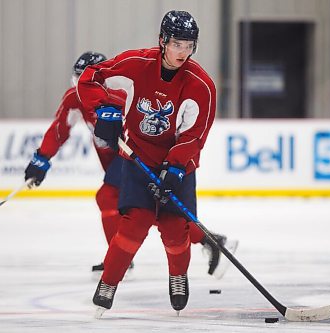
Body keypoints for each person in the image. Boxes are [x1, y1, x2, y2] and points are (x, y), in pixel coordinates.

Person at [24, 51, 237, 279]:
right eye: (76, 79)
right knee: (149, 213)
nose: (79, 85)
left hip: (137, 156)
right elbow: (60, 130)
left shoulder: (123, 94)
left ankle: (118, 260)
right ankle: (212, 241)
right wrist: (42, 158)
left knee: (108, 197)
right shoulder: (75, 98)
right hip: (122, 160)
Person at [76, 10, 225, 315]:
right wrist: (102, 109)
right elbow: (90, 78)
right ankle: (108, 282)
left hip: (177, 167)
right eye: (177, 44)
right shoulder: (136, 63)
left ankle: (178, 276)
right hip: (137, 156)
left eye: (188, 45)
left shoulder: (201, 85)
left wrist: (174, 168)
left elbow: (194, 136)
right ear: (162, 41)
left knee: (175, 229)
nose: (182, 52)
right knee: (135, 223)